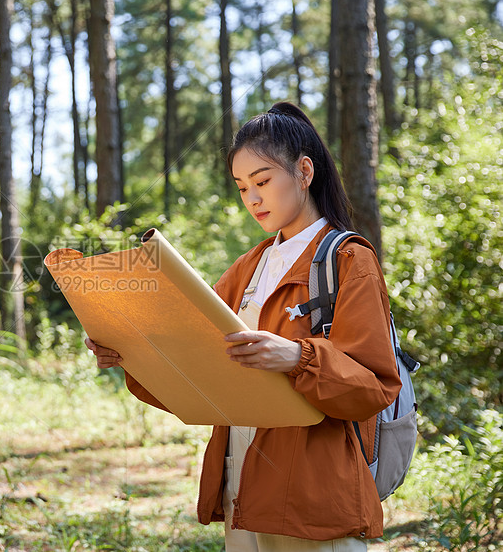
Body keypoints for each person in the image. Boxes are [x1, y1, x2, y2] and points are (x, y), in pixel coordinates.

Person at [85, 102, 401, 551]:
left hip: (313, 495)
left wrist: (298, 357)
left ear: (304, 171)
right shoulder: (249, 267)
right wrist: (131, 354)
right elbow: (199, 369)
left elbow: (372, 387)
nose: (252, 198)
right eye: (241, 187)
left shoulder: (348, 260)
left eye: (263, 181)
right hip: (243, 486)